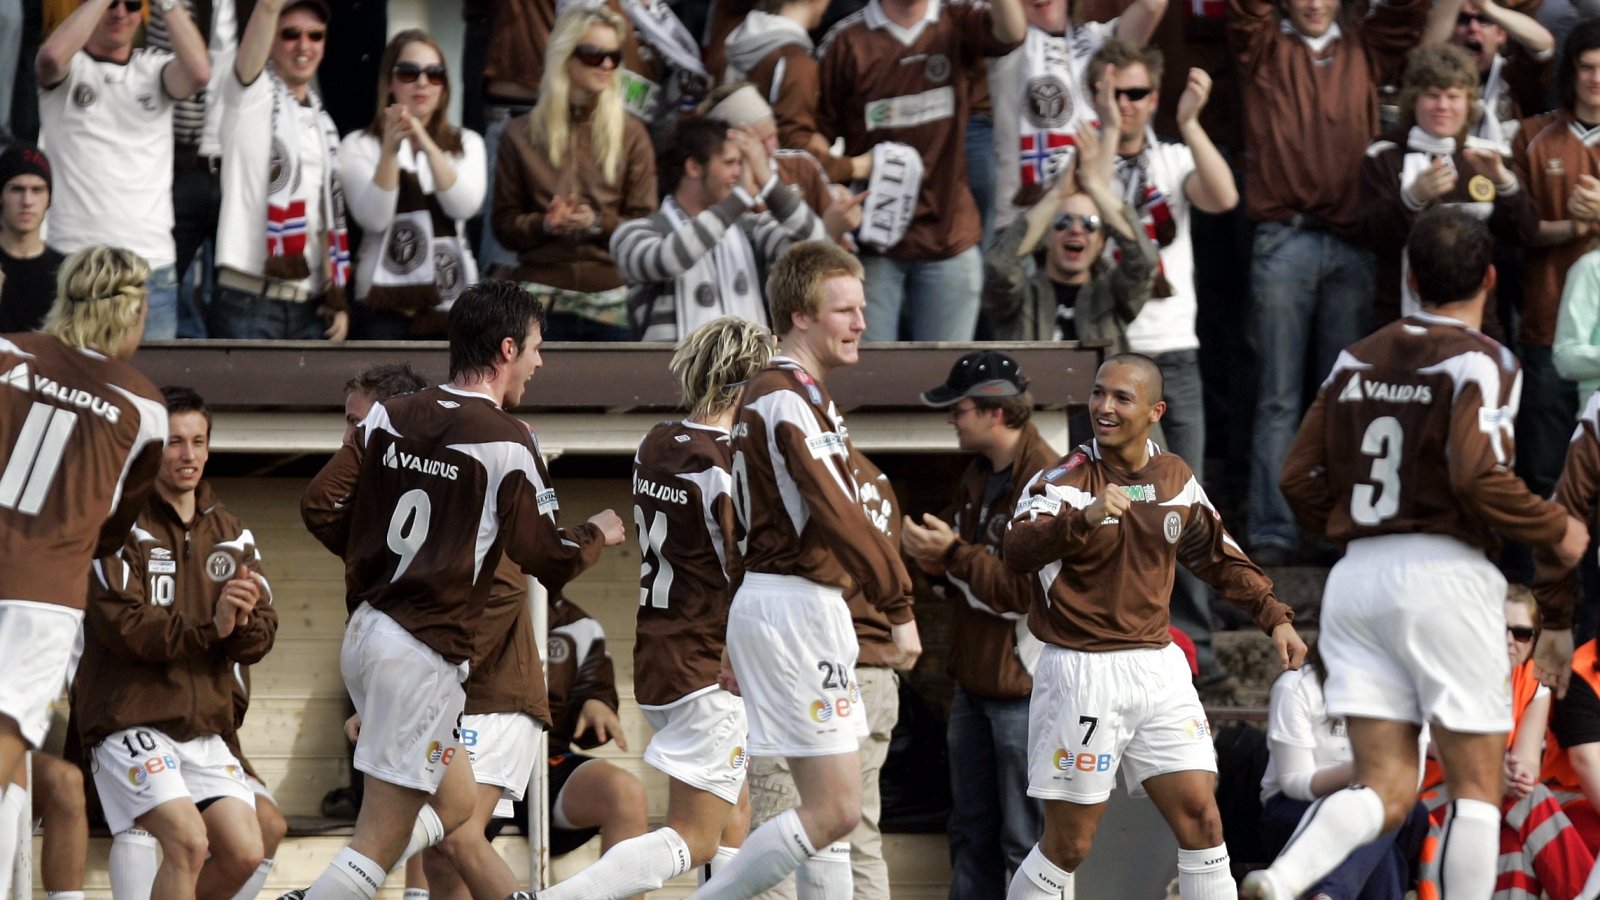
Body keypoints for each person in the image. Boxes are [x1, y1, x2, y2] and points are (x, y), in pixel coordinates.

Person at [1247, 208, 1588, 899]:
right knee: (1477, 789)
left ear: (1408, 277)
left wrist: (1348, 526)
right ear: (1492, 278)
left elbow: (1293, 477)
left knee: (1386, 785)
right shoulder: (1486, 358)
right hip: (1444, 573)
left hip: (1359, 575)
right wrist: (1554, 527)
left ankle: (1285, 878)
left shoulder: (1356, 357)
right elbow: (1476, 474)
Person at [295, 279, 626, 900]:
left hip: (367, 632)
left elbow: (319, 502)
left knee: (452, 811)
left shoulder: (390, 414)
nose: (539, 361)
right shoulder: (509, 438)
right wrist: (597, 533)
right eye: (535, 347)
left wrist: (380, 560)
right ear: (506, 349)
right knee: (375, 844)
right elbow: (546, 558)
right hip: (419, 653)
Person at [1001, 352, 1304, 900]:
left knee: (1204, 822)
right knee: (1068, 846)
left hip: (1159, 667)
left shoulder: (1174, 478)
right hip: (1082, 671)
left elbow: (1219, 555)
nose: (1103, 407)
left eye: (1121, 397)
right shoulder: (1061, 481)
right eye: (1098, 393)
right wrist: (1084, 519)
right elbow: (1016, 549)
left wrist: (1274, 617)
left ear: (1155, 411)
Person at [688, 241, 921, 900]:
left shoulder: (794, 395)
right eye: (843, 310)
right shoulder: (783, 395)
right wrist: (899, 604)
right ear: (799, 317)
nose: (861, 323)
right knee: (835, 811)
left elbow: (737, 525)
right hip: (795, 605)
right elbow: (839, 513)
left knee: (833, 816)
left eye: (862, 307)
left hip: (790, 605)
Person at [539, 316, 771, 899]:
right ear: (747, 384)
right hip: (708, 663)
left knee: (734, 813)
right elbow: (738, 568)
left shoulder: (657, 442)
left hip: (659, 656)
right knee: (692, 837)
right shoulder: (725, 464)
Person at [1230, 0, 1453, 566]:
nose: (1312, 3)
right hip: (1284, 237)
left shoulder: (1366, 45)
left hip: (1354, 245)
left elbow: (1409, 13)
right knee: (1278, 397)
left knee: (1346, 396)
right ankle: (1273, 530)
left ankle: (1337, 523)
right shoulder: (1263, 44)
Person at [0, 244, 166, 898]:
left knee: (19, 778)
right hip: (42, 596)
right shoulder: (144, 405)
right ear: (131, 313)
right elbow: (113, 531)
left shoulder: (8, 352)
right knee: (8, 752)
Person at [76, 385, 277, 900]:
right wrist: (214, 627)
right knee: (188, 842)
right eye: (174, 442)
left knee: (246, 850)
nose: (188, 455)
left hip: (202, 728)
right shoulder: (118, 525)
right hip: (130, 721)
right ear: (151, 449)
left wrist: (244, 620)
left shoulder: (233, 532)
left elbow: (259, 636)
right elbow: (124, 626)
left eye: (198, 441)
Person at [1092, 39, 1239, 688]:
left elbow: (1224, 196)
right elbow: (1092, 189)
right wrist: (1098, 120)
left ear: (1153, 96)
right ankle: (1135, 636)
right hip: (1108, 352)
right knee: (1116, 502)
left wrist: (1187, 122)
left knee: (1186, 498)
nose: (1127, 106)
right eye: (1115, 93)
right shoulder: (1086, 151)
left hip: (1174, 348)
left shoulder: (1173, 156)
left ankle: (1197, 650)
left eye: (1137, 94)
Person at [901, 350, 1057, 898]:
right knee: (969, 832)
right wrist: (934, 564)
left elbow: (1023, 595)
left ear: (994, 411)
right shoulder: (975, 475)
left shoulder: (1049, 481)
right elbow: (965, 582)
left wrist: (954, 555)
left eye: (959, 408)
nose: (951, 418)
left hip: (1025, 689)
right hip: (974, 683)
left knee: (1025, 839)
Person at [743, 446, 912, 900]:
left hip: (812, 663)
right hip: (873, 671)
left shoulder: (798, 468)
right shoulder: (876, 478)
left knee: (778, 824)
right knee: (858, 837)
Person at [815, 0, 1026, 341]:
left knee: (942, 380)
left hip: (949, 239)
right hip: (871, 244)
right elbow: (813, 137)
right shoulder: (845, 41)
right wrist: (837, 180)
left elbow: (1012, 33)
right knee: (869, 378)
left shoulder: (956, 21)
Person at [34, 0, 210, 341]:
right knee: (71, 388)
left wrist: (168, 3)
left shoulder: (153, 67)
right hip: (75, 261)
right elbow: (51, 58)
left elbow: (200, 72)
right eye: (110, 4)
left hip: (149, 266)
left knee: (148, 390)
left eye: (131, 4)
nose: (120, 13)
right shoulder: (72, 64)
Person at [490, 3, 657, 342]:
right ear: (565, 56)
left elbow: (646, 225)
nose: (608, 64)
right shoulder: (519, 134)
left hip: (613, 299)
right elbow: (503, 225)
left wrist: (595, 223)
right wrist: (545, 224)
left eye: (615, 55)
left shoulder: (631, 133)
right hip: (539, 300)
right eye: (595, 54)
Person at [1359, 43, 1536, 329]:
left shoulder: (1490, 155)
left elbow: (1524, 233)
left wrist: (1505, 185)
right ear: (1413, 100)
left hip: (1479, 324)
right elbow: (1371, 237)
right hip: (1399, 320)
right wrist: (1412, 199)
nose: (1443, 106)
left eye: (1453, 96)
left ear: (1469, 103)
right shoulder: (1384, 154)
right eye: (1432, 95)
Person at [613, 116, 825, 342]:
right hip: (670, 374)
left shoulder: (751, 230)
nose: (740, 173)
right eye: (730, 163)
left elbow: (817, 248)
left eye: (742, 163)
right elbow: (669, 259)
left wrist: (769, 183)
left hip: (750, 372)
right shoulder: (634, 233)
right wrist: (739, 198)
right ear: (694, 167)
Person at [213, 0, 351, 341]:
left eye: (315, 35)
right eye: (290, 35)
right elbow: (249, 59)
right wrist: (269, 8)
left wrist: (336, 299)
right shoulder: (250, 95)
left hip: (309, 307)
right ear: (271, 41)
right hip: (248, 300)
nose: (304, 45)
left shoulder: (324, 122)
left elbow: (324, 217)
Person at [1514, 20, 1600, 558]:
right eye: (1587, 67)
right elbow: (1512, 228)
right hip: (1547, 325)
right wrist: (1573, 226)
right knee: (1545, 470)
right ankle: (1539, 599)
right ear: (1570, 72)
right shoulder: (1533, 134)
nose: (1596, 78)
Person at [341, 29, 486, 341]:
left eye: (434, 74)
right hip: (382, 309)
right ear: (390, 82)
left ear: (444, 85)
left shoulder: (467, 142)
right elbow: (374, 218)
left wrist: (426, 143)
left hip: (453, 304)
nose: (422, 82)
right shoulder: (359, 144)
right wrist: (391, 151)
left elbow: (465, 206)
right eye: (409, 73)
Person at [1257, 643, 1430, 900]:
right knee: (1379, 847)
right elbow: (1294, 783)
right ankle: (1331, 894)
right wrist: (1363, 770)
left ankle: (1329, 894)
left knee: (1402, 812)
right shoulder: (1298, 685)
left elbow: (1410, 781)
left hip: (1379, 802)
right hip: (1294, 807)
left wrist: (1370, 782)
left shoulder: (1409, 692)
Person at [986, 0, 1164, 232]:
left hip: (1093, 221)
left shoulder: (1100, 41)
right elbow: (1009, 23)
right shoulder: (1006, 44)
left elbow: (1152, 5)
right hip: (1027, 222)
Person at [982, 123, 1159, 345]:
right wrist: (1057, 194)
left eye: (1089, 223)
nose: (1076, 230)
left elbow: (1144, 261)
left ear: (1101, 242)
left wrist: (1093, 184)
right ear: (1045, 236)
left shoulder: (1112, 294)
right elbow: (999, 266)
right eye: (1062, 221)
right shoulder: (1018, 298)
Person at [1451, 0, 1553, 145]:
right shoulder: (1440, 79)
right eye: (1463, 20)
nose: (1473, 27)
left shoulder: (1514, 74)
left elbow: (1544, 46)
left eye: (1484, 20)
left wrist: (1486, 7)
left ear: (1500, 35)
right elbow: (1424, 51)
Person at [0, 143, 61, 332]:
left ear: (49, 198)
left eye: (37, 190)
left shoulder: (66, 273)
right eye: (16, 189)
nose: (27, 201)